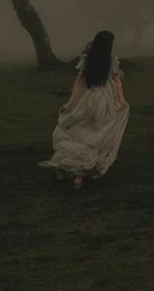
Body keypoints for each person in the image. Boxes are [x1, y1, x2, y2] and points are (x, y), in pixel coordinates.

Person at [39, 30, 130, 188]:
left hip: (87, 100)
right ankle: (80, 175)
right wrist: (121, 100)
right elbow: (117, 82)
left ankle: (72, 168)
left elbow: (78, 83)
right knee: (96, 135)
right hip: (104, 100)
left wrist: (70, 102)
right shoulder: (110, 60)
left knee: (80, 131)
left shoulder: (87, 59)